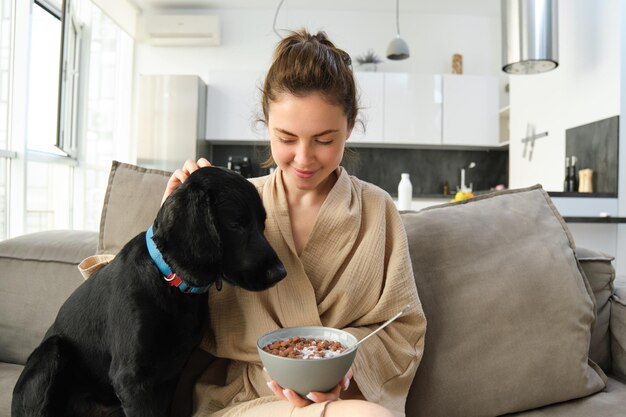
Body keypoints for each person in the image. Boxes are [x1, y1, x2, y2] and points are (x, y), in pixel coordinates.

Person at [164, 30, 426, 417]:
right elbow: (160, 312)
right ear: (266, 123)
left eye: (323, 140)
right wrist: (173, 225)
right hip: (250, 397)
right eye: (286, 138)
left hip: (343, 396)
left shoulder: (377, 209)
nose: (304, 158)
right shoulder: (229, 207)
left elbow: (401, 328)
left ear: (350, 125)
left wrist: (340, 368)